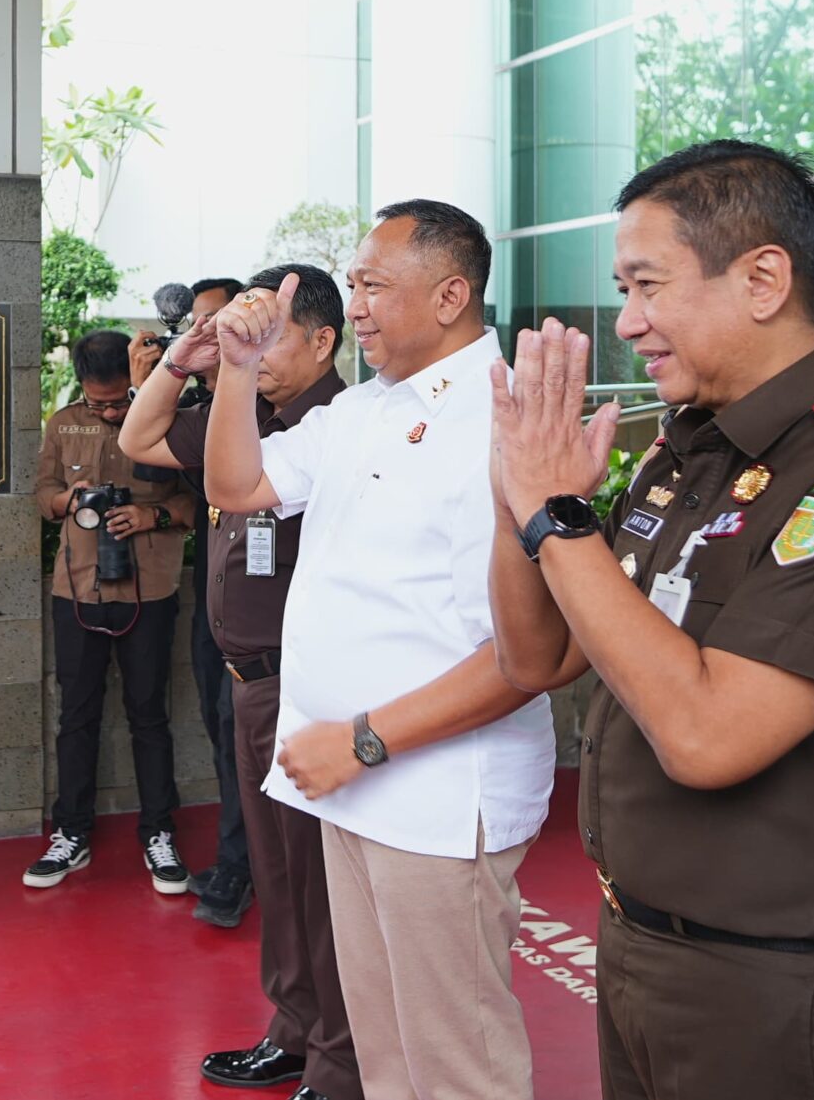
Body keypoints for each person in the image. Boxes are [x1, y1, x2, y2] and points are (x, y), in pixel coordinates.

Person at [488, 140, 814, 1099]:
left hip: (779, 992)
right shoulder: (687, 455)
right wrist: (519, 501)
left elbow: (707, 736)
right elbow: (537, 656)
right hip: (639, 947)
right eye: (624, 290)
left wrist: (554, 518)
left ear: (762, 280)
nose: (628, 321)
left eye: (647, 285)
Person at [204, 200, 555, 1100]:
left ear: (450, 296)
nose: (353, 305)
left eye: (372, 286)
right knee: (387, 1053)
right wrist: (237, 371)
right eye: (353, 284)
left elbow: (525, 659)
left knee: (458, 1066)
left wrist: (360, 740)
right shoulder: (363, 408)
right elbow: (238, 484)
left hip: (435, 799)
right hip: (351, 786)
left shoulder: (502, 420)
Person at [122, 263, 356, 1100]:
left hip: (310, 687)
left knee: (319, 886)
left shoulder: (339, 426)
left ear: (323, 340)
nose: (249, 349)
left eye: (269, 335)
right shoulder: (246, 413)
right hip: (248, 681)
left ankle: (338, 1062)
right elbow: (139, 439)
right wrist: (181, 359)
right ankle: (293, 1030)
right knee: (277, 874)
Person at [26, 329, 199, 893]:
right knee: (76, 717)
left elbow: (199, 501)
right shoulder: (63, 424)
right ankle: (70, 832)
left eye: (118, 401)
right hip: (77, 591)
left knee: (149, 716)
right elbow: (43, 494)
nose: (107, 412)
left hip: (150, 591)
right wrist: (69, 500)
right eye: (97, 403)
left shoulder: (169, 421)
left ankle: (159, 832)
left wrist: (153, 517)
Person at [130, 276, 254, 924]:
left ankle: (244, 866)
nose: (205, 332)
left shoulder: (266, 405)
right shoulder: (203, 406)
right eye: (197, 323)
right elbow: (146, 466)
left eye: (217, 320)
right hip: (213, 600)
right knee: (221, 730)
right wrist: (156, 379)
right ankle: (241, 861)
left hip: (268, 610)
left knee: (246, 736)